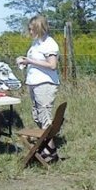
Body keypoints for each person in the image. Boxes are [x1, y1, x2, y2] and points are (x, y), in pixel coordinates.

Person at [16, 14, 60, 161]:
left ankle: (51, 151)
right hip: (34, 83)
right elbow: (34, 61)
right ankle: (45, 147)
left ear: (39, 28)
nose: (30, 32)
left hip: (45, 84)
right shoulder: (36, 43)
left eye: (32, 29)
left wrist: (30, 61)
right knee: (38, 116)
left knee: (45, 115)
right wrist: (25, 61)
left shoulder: (49, 44)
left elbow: (52, 65)